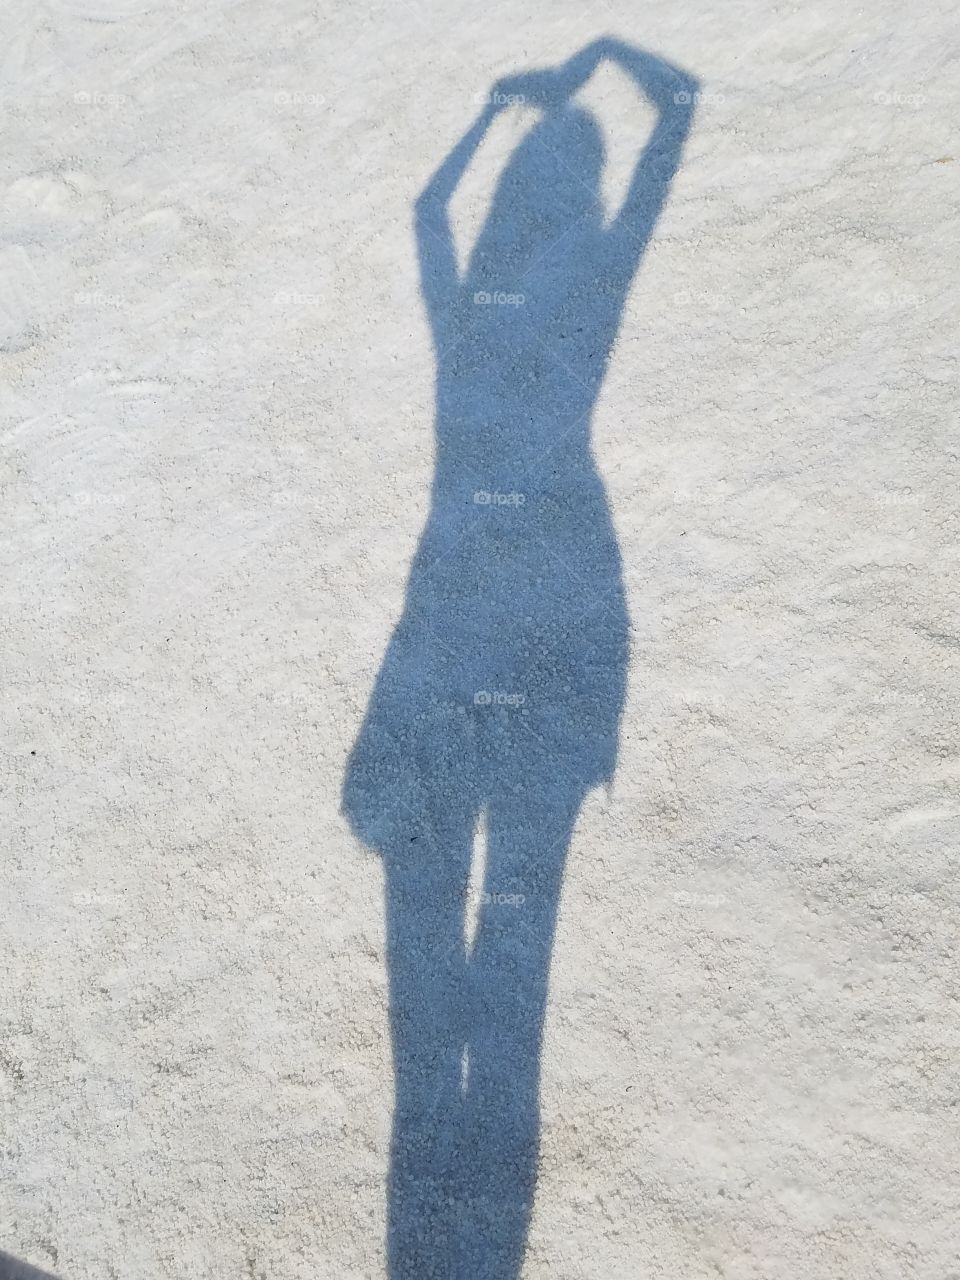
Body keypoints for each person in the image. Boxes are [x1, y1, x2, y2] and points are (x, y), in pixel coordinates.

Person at [342, 39, 698, 1279]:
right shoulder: (588, 294)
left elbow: (427, 209)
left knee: (458, 933)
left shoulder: (466, 326)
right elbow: (674, 124)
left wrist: (499, 115)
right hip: (571, 606)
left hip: (450, 614)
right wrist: (607, 63)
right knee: (520, 939)